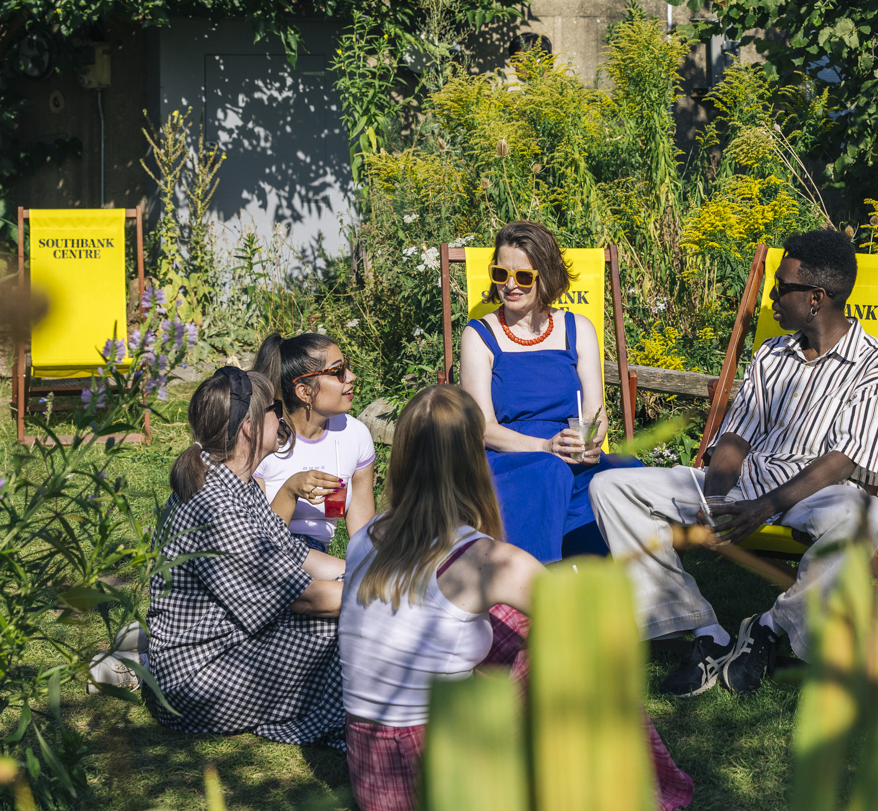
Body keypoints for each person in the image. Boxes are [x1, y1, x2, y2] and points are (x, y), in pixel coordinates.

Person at [338, 385, 692, 811]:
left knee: (507, 622)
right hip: (438, 772)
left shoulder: (368, 534)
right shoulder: (485, 560)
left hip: (373, 771)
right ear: (475, 457)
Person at [590, 227, 878, 697]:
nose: (772, 298)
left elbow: (843, 461)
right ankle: (703, 630)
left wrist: (764, 506)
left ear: (816, 297)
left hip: (815, 493)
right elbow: (736, 435)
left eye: (782, 287)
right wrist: (715, 495)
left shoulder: (877, 365)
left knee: (864, 515)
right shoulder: (771, 355)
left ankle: (770, 626)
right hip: (747, 481)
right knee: (610, 488)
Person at [146, 365, 347, 748]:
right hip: (197, 678)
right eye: (274, 407)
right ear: (251, 428)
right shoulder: (217, 507)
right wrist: (390, 592)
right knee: (344, 627)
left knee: (356, 609)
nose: (281, 413)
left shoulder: (231, 480)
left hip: (229, 645)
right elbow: (304, 599)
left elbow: (297, 556)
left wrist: (375, 570)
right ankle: (357, 720)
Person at [457, 221, 621, 562]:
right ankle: (533, 591)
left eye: (524, 277)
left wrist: (590, 441)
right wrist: (545, 447)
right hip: (509, 458)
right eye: (501, 274)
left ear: (546, 276)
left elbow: (595, 413)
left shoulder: (578, 329)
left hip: (570, 454)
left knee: (626, 472)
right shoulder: (478, 336)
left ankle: (640, 588)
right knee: (549, 472)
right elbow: (482, 428)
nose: (511, 285)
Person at [251, 332, 377, 552]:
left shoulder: (354, 434)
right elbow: (257, 542)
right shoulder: (264, 438)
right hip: (272, 556)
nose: (351, 376)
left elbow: (363, 534)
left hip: (318, 554)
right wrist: (290, 489)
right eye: (337, 371)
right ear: (304, 391)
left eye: (346, 366)